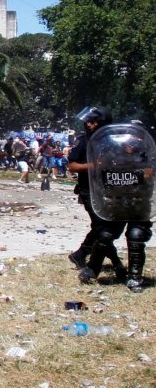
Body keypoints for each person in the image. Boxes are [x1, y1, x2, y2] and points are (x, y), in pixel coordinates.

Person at [67, 106, 127, 283]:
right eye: (88, 121)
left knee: (102, 228)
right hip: (88, 191)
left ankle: (81, 253)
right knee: (103, 229)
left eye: (93, 121)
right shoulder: (84, 141)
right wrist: (93, 166)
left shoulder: (113, 142)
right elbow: (72, 166)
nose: (89, 125)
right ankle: (116, 264)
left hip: (109, 190)